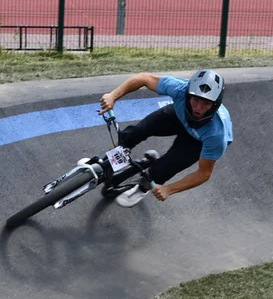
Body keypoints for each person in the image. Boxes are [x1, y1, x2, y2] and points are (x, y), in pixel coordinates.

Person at [98, 70, 233, 207]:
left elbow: (204, 174)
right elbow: (144, 78)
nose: (198, 108)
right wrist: (113, 95)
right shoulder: (180, 88)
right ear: (188, 95)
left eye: (206, 103)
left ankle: (142, 188)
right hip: (179, 117)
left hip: (198, 141)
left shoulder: (217, 135)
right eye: (195, 100)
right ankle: (105, 164)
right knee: (135, 132)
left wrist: (169, 189)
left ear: (215, 105)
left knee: (161, 171)